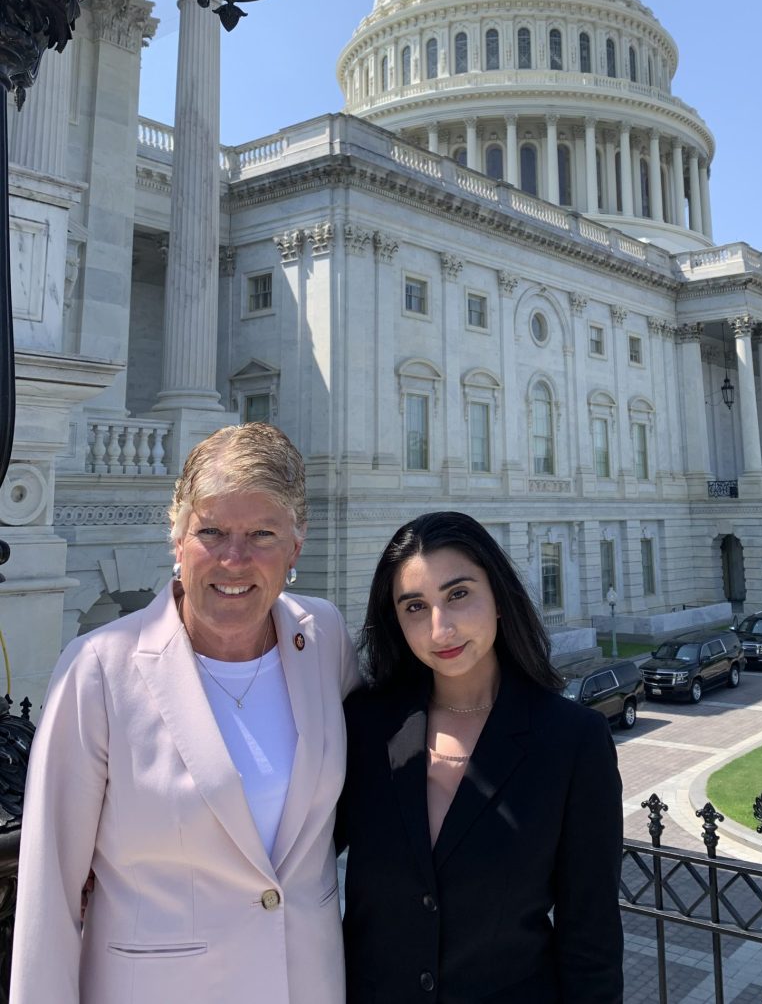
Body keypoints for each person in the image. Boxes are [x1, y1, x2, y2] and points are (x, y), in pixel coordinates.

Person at [11, 422, 359, 1004]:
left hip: (307, 983)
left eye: (262, 533)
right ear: (177, 540)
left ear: (295, 548)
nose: (233, 558)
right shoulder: (99, 669)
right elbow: (49, 890)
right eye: (211, 531)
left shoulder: (324, 638)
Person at [340, 511, 624, 1004]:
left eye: (458, 594)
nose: (440, 629)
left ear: (499, 597)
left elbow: (590, 936)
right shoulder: (365, 726)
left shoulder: (572, 740)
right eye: (415, 607)